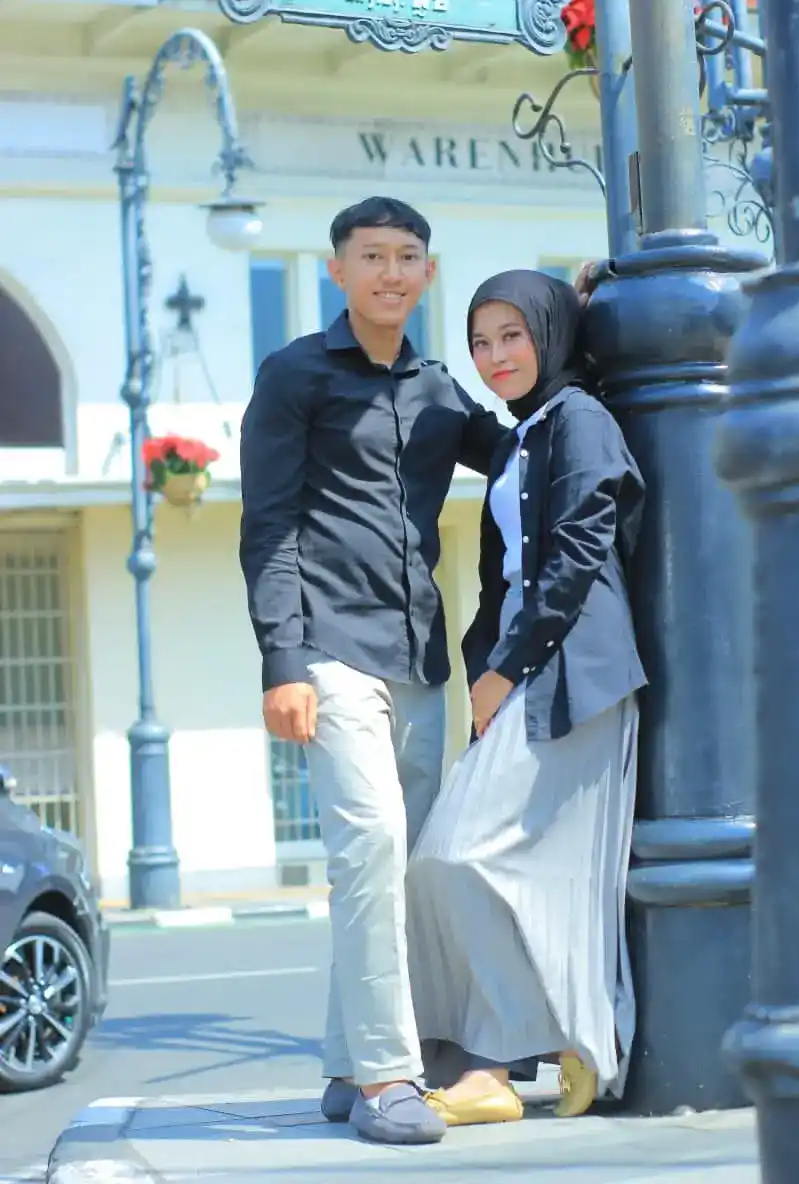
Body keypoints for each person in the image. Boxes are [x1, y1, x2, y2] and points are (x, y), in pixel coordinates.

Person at [239, 196, 513, 1146]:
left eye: (406, 258)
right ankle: (390, 1078)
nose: (390, 273)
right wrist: (282, 660)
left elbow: (519, 451)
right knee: (367, 848)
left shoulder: (439, 390)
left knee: (401, 864)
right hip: (329, 647)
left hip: (420, 656)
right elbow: (268, 526)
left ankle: (344, 1061)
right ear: (338, 271)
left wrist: (580, 352)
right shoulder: (294, 376)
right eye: (372, 257)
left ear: (427, 275)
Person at [405, 268, 647, 1127]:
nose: (495, 356)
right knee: (446, 865)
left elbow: (578, 550)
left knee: (470, 858)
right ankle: (509, 1058)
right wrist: (488, 670)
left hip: (574, 675)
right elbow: (500, 575)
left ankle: (514, 1059)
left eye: (512, 335)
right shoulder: (521, 436)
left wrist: (504, 670)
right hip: (519, 676)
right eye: (480, 341)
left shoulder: (580, 419)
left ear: (549, 334)